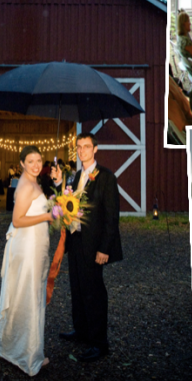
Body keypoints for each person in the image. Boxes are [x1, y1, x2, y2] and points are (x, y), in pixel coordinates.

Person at [59, 133, 123, 361]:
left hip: (95, 245)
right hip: (76, 242)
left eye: (86, 146)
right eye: (79, 147)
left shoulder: (105, 177)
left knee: (94, 292)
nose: (82, 150)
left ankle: (99, 342)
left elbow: (111, 216)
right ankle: (81, 330)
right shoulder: (77, 176)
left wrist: (104, 248)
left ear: (95, 149)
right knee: (77, 288)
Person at [0, 145, 55, 376]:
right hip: (28, 247)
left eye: (39, 160)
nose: (36, 164)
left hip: (35, 245)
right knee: (28, 296)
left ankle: (15, 347)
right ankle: (28, 356)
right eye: (30, 161)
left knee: (28, 294)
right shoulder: (24, 185)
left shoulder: (34, 182)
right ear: (22, 163)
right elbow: (18, 220)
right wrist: (47, 215)